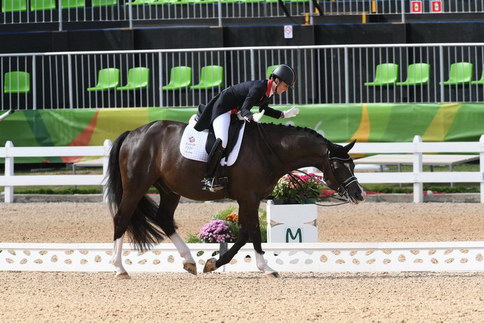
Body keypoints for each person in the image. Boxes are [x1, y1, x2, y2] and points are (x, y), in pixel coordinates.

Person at [194, 64, 300, 192]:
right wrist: (251, 116)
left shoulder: (268, 90)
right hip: (223, 108)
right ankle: (208, 178)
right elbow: (245, 110)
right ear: (277, 81)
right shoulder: (258, 87)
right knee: (223, 140)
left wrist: (284, 114)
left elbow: (264, 109)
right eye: (286, 86)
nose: (286, 89)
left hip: (234, 110)